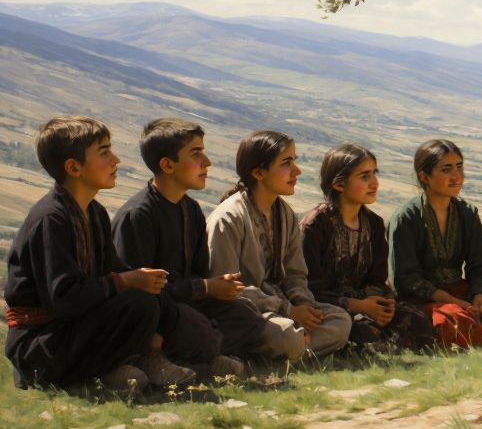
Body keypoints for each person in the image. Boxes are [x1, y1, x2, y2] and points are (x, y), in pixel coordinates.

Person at [5, 117, 195, 393]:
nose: (116, 159)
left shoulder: (94, 213)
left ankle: (138, 361)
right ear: (74, 167)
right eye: (104, 152)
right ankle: (96, 375)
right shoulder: (51, 220)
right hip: (42, 346)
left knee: (154, 296)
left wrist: (141, 281)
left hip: (73, 331)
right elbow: (64, 299)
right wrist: (123, 282)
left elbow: (111, 271)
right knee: (139, 301)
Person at [113, 118, 265, 378]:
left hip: (184, 304)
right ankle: (155, 360)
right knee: (197, 329)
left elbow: (196, 273)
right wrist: (206, 288)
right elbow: (140, 290)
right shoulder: (139, 215)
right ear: (167, 165)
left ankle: (197, 362)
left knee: (246, 317)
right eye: (196, 154)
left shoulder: (191, 210)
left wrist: (214, 288)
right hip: (157, 313)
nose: (207, 162)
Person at [208, 131, 352, 359]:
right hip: (244, 312)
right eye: (286, 163)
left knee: (340, 320)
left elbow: (295, 275)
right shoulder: (229, 218)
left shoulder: (285, 214)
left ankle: (293, 349)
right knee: (286, 335)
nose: (297, 171)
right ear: (258, 173)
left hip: (282, 309)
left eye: (294, 161)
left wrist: (307, 309)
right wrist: (289, 311)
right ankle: (289, 348)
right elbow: (229, 290)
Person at [389, 139, 482, 348]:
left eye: (459, 167)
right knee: (452, 320)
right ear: (424, 177)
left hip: (461, 292)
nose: (456, 176)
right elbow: (405, 278)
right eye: (446, 169)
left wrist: (480, 295)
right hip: (425, 300)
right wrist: (451, 301)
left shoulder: (466, 212)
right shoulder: (406, 217)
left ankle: (479, 336)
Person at [302, 144, 435, 351]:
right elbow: (311, 288)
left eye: (374, 173)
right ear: (339, 184)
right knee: (363, 332)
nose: (375, 183)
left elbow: (376, 278)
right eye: (364, 176)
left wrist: (383, 306)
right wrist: (359, 306)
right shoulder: (316, 226)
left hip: (366, 306)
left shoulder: (373, 223)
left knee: (418, 319)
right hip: (328, 308)